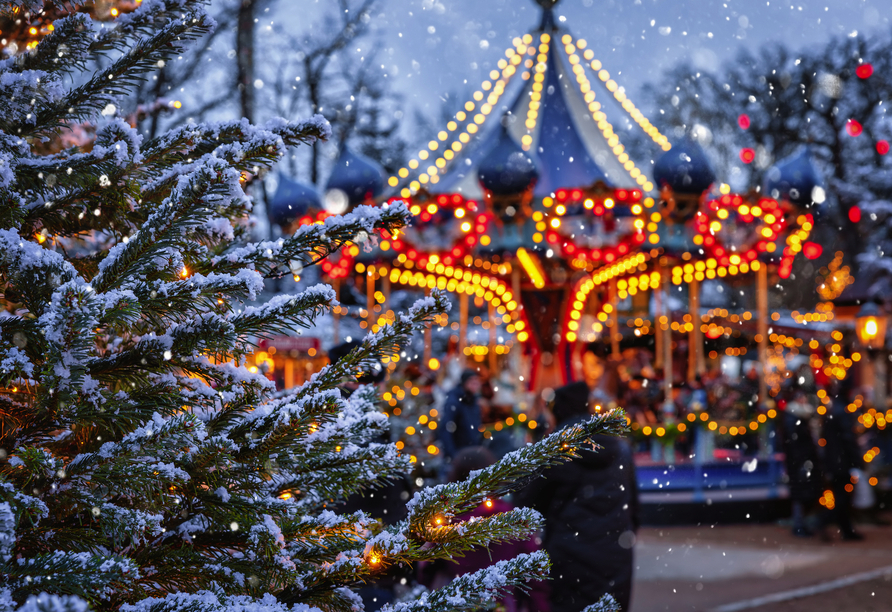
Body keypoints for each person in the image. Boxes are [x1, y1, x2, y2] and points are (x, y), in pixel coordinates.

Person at [516, 344, 638, 612]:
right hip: (614, 554)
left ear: (559, 414)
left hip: (567, 556)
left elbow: (526, 503)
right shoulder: (619, 449)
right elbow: (635, 508)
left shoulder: (554, 453)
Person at [420, 446, 549, 612]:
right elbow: (535, 576)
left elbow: (427, 569)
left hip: (456, 603)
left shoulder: (446, 523)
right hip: (501, 604)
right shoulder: (513, 520)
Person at [821, 380, 865, 541]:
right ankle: (824, 521)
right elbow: (848, 439)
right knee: (843, 497)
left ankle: (846, 530)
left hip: (834, 461)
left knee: (842, 496)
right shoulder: (842, 412)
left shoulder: (833, 410)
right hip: (842, 462)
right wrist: (857, 460)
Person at [781, 391, 822, 537]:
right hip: (800, 462)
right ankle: (800, 525)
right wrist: (804, 460)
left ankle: (803, 524)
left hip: (800, 461)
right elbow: (796, 443)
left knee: (803, 492)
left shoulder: (797, 417)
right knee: (801, 493)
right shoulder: (795, 418)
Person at [438, 369, 483, 461]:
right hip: (459, 453)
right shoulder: (454, 401)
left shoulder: (473, 401)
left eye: (476, 382)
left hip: (471, 452)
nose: (475, 385)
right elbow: (446, 428)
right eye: (472, 382)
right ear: (464, 383)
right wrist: (452, 454)